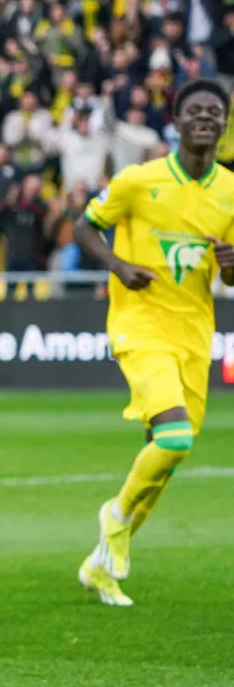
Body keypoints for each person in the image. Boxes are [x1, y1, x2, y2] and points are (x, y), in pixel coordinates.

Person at [71, 78, 234, 607]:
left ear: (224, 125)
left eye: (215, 110)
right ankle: (113, 520)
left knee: (164, 457)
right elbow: (84, 226)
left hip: (194, 333)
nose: (206, 117)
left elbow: (229, 276)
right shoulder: (138, 181)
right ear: (178, 121)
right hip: (139, 325)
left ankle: (100, 564)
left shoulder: (230, 192)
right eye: (196, 110)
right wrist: (118, 265)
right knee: (174, 439)